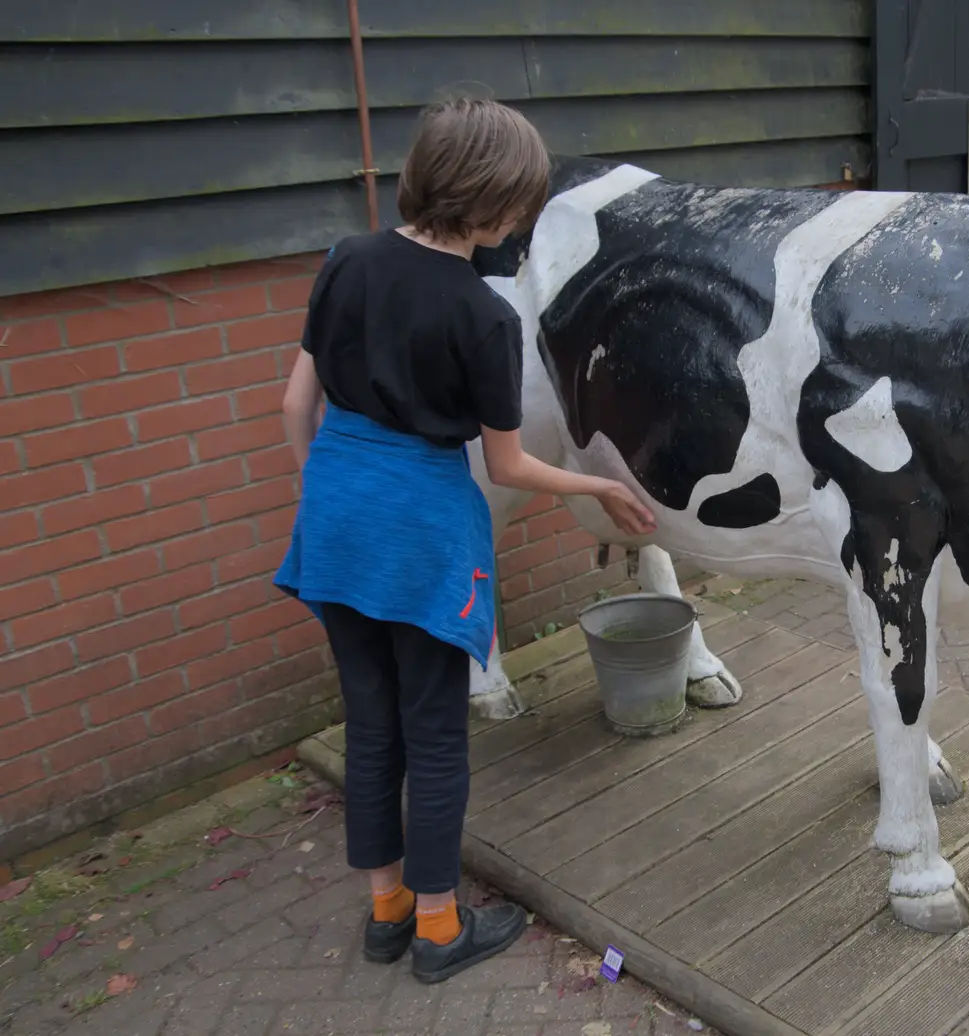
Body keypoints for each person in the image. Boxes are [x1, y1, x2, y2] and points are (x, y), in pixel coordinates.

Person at [274, 98, 656, 985]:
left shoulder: (345, 260)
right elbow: (510, 465)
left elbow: (297, 405)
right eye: (519, 206)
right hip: (421, 534)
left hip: (334, 519)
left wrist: (329, 491)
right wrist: (597, 483)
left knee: (371, 726)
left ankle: (387, 911)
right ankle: (441, 931)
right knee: (436, 734)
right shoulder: (487, 317)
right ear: (495, 209)